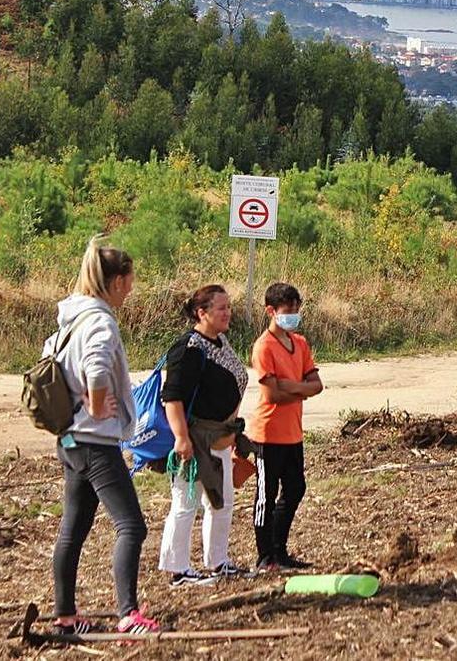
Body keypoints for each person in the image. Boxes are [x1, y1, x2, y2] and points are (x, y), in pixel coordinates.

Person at [45, 237, 158, 635]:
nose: (131, 289)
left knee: (72, 530)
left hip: (70, 440)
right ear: (116, 282)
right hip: (95, 442)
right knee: (132, 525)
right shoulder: (100, 321)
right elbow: (95, 365)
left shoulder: (70, 318)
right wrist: (96, 405)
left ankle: (66, 617)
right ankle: (130, 614)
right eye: (130, 282)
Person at [157, 285, 250, 586]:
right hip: (196, 440)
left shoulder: (220, 341)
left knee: (221, 501)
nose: (228, 313)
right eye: (221, 308)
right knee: (185, 503)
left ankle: (218, 561)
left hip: (221, 439)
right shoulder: (189, 349)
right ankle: (178, 570)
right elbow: (172, 397)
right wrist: (181, 438)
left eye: (228, 306)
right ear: (202, 313)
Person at [249, 283, 323, 571]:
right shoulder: (263, 347)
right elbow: (271, 394)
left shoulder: (300, 343)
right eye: (287, 309)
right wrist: (301, 389)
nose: (293, 314)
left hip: (293, 432)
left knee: (295, 488)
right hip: (268, 433)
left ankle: (280, 550)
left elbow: (317, 385)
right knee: (265, 497)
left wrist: (290, 387)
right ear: (271, 311)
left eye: (296, 309)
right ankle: (265, 555)